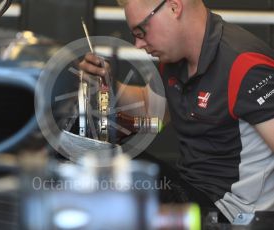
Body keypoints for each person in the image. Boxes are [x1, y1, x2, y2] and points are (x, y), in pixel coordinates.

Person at [79, 0, 274, 223]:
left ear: (174, 8)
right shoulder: (174, 58)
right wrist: (110, 84)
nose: (138, 44)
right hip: (190, 190)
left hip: (230, 216)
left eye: (141, 31)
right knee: (92, 153)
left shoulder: (245, 65)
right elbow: (150, 108)